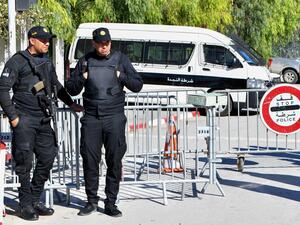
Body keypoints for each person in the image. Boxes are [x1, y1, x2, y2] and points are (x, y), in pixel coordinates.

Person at [0, 26, 83, 221]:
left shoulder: (46, 62)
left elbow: (57, 86)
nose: (47, 43)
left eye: (48, 40)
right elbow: (3, 89)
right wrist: (13, 117)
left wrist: (71, 103)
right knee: (24, 163)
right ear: (31, 40)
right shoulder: (17, 61)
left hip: (44, 119)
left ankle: (35, 199)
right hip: (24, 119)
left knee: (48, 157)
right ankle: (25, 204)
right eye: (43, 40)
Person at [66, 27, 143, 217]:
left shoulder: (121, 60)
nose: (104, 46)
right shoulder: (85, 61)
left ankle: (111, 202)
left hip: (114, 117)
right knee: (90, 160)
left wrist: (121, 76)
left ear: (110, 42)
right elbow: (71, 89)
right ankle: (91, 201)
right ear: (93, 43)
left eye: (107, 43)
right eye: (100, 43)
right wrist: (83, 78)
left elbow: (137, 85)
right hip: (92, 118)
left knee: (114, 160)